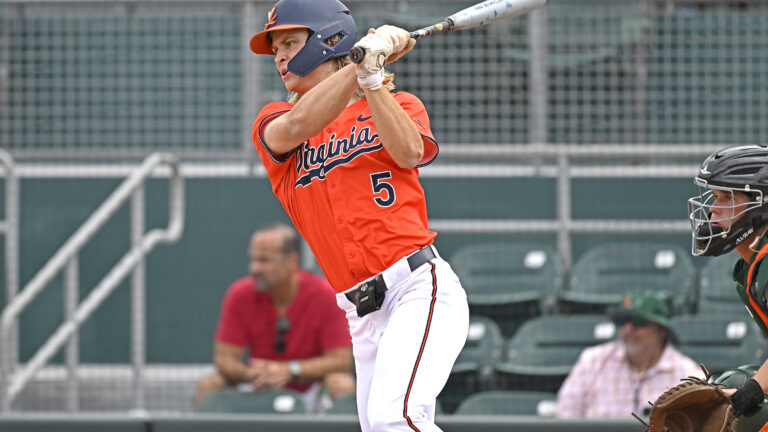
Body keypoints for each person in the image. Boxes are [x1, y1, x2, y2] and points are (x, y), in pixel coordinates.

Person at [249, 0, 470, 430]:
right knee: (384, 425)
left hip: (415, 289)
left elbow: (408, 152)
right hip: (360, 312)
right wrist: (363, 59)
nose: (278, 56)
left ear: (328, 41)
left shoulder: (397, 103)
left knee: (394, 419)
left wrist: (371, 78)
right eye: (276, 47)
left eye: (290, 42)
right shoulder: (274, 119)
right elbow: (296, 127)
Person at [194, 223, 355, 412]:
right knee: (210, 384)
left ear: (291, 262)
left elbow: (340, 361)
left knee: (341, 384)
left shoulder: (325, 295)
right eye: (253, 260)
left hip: (311, 389)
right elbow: (224, 359)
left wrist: (290, 371)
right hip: (256, 385)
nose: (254, 268)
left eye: (264, 261)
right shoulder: (239, 294)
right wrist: (254, 374)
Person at [688, 143, 768, 426]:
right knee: (735, 382)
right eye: (714, 197)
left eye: (726, 198)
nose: (712, 209)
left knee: (750, 415)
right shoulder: (756, 260)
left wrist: (752, 392)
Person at [556, 290, 701, 419]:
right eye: (621, 320)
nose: (627, 329)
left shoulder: (690, 377)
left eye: (638, 322)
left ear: (661, 330)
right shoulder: (593, 361)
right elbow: (563, 420)